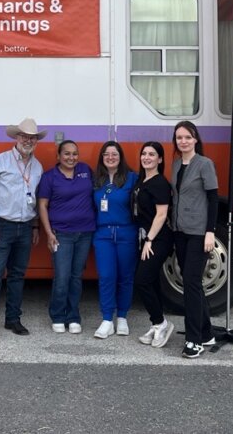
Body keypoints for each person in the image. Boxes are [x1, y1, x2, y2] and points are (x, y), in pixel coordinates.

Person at [0, 118, 44, 343]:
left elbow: (35, 200)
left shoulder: (38, 166)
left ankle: (13, 319)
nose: (28, 140)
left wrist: (35, 226)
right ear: (16, 138)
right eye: (24, 136)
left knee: (17, 276)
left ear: (36, 141)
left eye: (32, 137)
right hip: (2, 226)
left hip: (25, 227)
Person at [37, 140, 95, 335]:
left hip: (85, 233)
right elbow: (43, 206)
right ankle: (58, 315)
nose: (71, 158)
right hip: (61, 234)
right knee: (62, 277)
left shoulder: (86, 170)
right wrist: (49, 233)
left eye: (75, 154)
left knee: (76, 276)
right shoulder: (49, 177)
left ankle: (73, 316)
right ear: (58, 156)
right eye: (67, 154)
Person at [171, 121, 218, 359]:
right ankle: (207, 332)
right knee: (192, 283)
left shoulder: (204, 164)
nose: (183, 141)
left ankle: (194, 340)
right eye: (179, 138)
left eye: (187, 137)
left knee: (190, 283)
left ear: (195, 139)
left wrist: (210, 231)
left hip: (199, 233)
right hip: (180, 232)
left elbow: (213, 199)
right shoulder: (176, 164)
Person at [91, 141, 139, 339]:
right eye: (106, 154)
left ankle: (122, 317)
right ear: (102, 157)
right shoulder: (96, 180)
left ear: (121, 157)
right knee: (107, 276)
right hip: (103, 235)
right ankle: (107, 319)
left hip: (127, 233)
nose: (110, 157)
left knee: (125, 277)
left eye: (114, 154)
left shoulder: (132, 178)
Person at [132, 141, 175, 348]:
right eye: (144, 154)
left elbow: (161, 214)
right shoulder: (143, 180)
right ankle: (156, 323)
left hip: (158, 239)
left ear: (160, 159)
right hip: (146, 238)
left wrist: (149, 239)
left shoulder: (159, 183)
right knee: (152, 281)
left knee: (142, 280)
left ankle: (161, 322)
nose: (146, 157)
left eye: (152, 154)